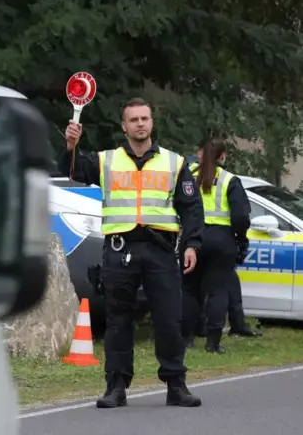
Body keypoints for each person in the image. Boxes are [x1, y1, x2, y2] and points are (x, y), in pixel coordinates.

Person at [60, 97, 204, 408]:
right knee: (118, 321)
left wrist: (192, 244)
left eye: (145, 118)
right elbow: (73, 172)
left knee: (168, 320)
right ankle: (116, 387)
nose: (140, 124)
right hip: (120, 249)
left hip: (161, 251)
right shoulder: (106, 160)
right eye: (134, 120)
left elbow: (192, 208)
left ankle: (176, 385)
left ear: (152, 123)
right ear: (124, 127)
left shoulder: (174, 162)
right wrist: (71, 146)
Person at [182, 139, 260, 352]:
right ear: (222, 156)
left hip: (191, 237)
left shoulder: (186, 174)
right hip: (220, 239)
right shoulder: (229, 180)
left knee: (188, 289)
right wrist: (240, 237)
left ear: (200, 153)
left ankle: (186, 338)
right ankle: (213, 343)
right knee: (218, 290)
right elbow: (240, 216)